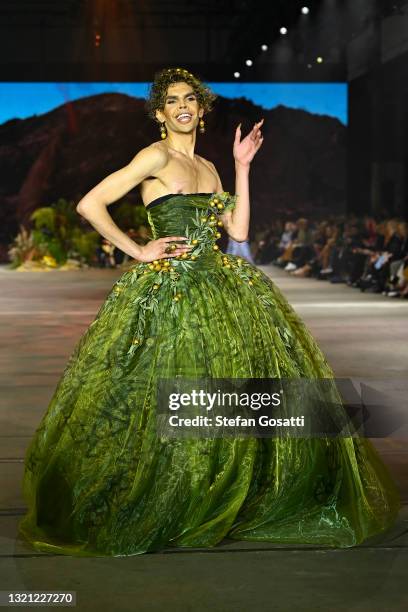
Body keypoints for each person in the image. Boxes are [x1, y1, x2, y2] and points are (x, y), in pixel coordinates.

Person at [19, 67, 400, 557]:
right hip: (171, 290)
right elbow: (91, 204)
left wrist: (242, 166)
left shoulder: (211, 168)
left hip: (220, 285)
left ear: (201, 109)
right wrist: (138, 251)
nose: (183, 106)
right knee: (159, 390)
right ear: (160, 113)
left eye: (191, 99)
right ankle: (168, 496)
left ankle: (215, 493)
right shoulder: (155, 155)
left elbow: (237, 231)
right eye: (173, 100)